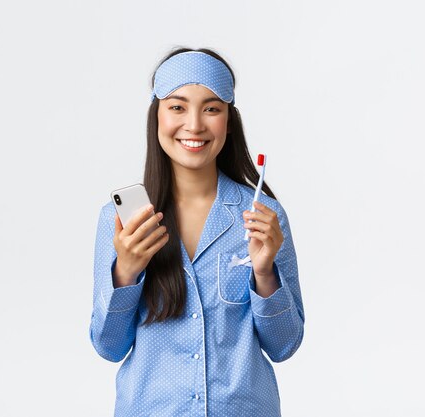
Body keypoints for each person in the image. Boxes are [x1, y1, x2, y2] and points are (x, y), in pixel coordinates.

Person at [90, 47, 305, 417]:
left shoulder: (262, 217)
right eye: (177, 107)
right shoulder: (122, 221)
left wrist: (265, 274)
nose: (194, 124)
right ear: (156, 116)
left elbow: (284, 345)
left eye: (211, 108)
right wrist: (125, 271)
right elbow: (108, 346)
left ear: (229, 121)